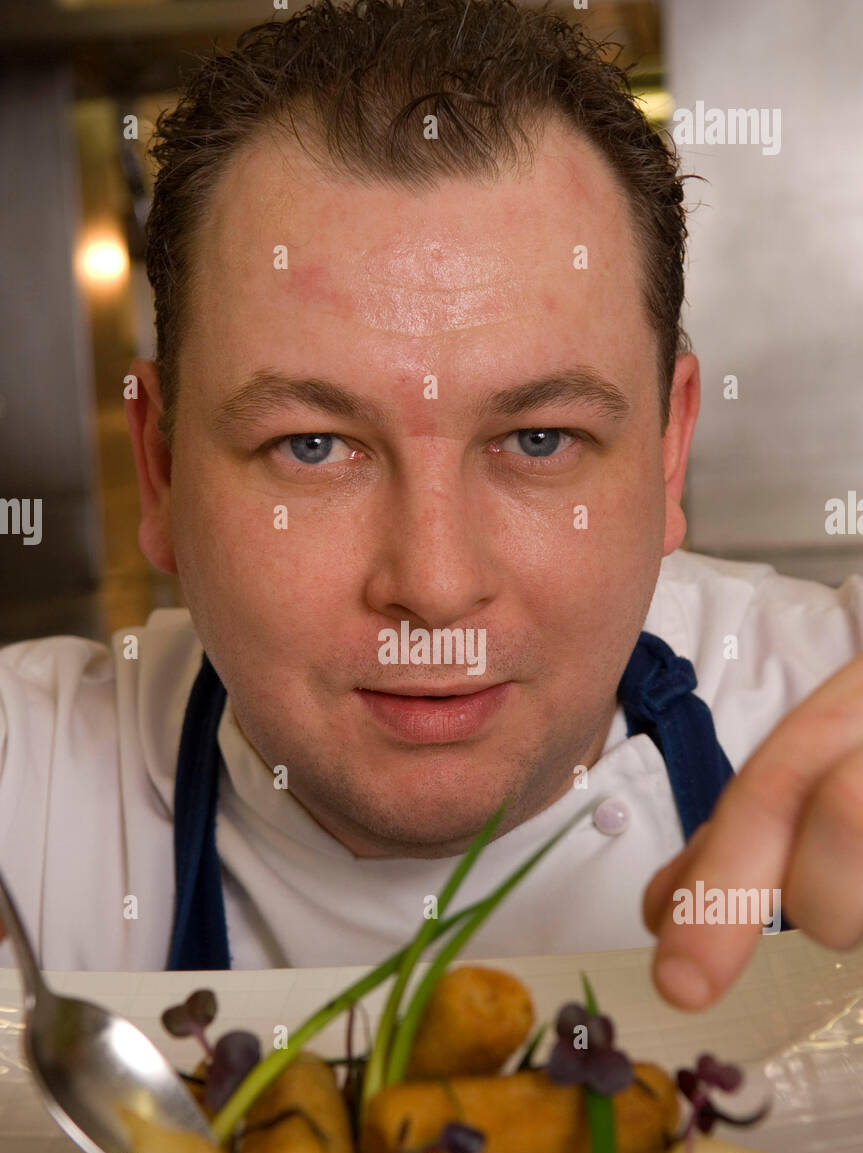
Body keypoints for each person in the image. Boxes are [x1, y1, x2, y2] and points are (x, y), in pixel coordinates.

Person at [1, 0, 861, 1008]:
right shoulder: (33, 791)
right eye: (312, 447)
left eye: (538, 440)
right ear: (161, 467)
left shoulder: (821, 688)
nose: (435, 588)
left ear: (668, 450)